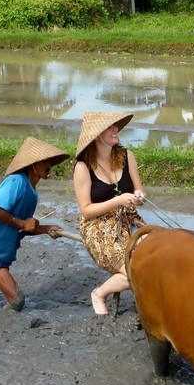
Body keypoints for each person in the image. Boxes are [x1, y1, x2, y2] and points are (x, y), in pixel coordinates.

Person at [0, 136, 70, 312]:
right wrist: (22, 222)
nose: (49, 166)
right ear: (32, 164)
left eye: (50, 162)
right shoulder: (17, 182)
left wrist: (45, 229)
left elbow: (22, 228)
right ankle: (0, 331)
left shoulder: (32, 192)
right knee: (17, 301)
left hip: (2, 255)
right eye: (45, 161)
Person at [72, 111, 147, 316]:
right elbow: (86, 210)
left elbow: (139, 191)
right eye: (111, 127)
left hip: (129, 218)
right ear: (97, 135)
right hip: (98, 226)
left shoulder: (126, 156)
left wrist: (138, 197)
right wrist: (117, 200)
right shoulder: (82, 167)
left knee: (157, 256)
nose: (116, 129)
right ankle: (99, 293)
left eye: (116, 126)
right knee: (135, 273)